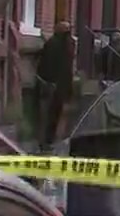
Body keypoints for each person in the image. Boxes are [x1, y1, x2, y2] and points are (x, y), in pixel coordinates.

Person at [35, 22, 76, 150]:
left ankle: (47, 141)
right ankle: (48, 140)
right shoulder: (66, 45)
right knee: (52, 114)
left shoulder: (55, 44)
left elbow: (45, 63)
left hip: (54, 84)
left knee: (51, 114)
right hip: (57, 85)